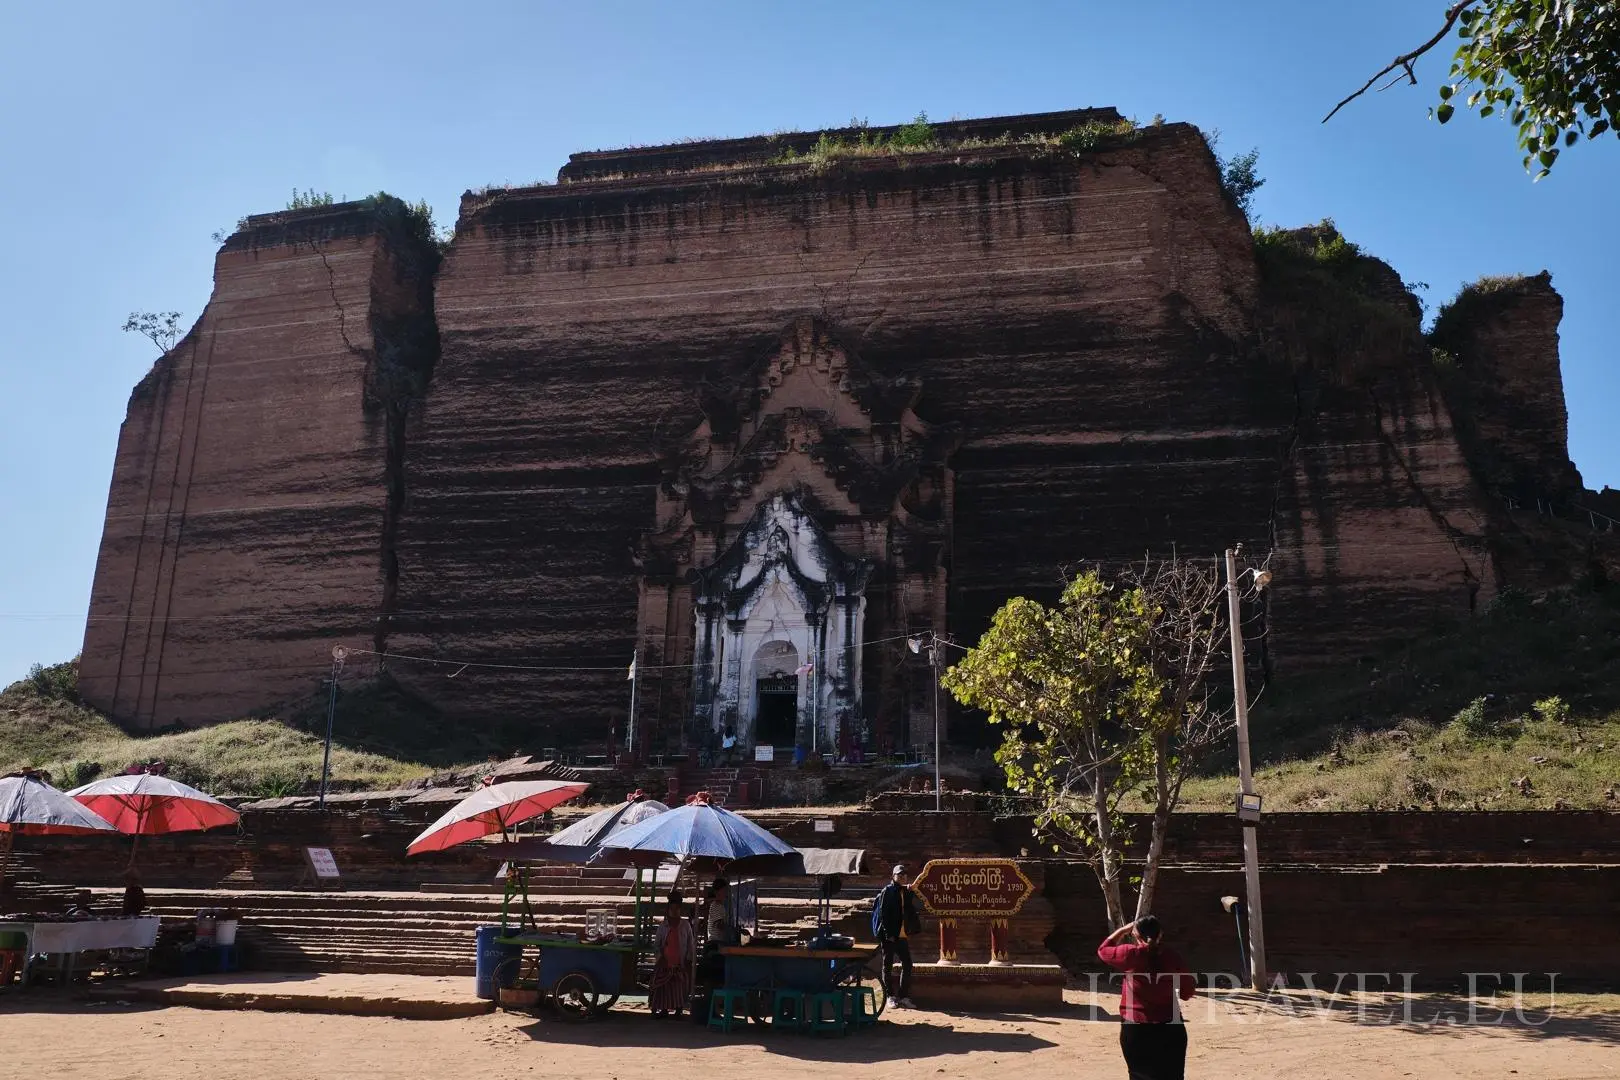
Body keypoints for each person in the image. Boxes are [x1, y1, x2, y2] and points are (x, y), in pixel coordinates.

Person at [1097, 915, 1197, 1080]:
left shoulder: (1129, 954)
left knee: (1139, 1076)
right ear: (1161, 934)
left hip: (1136, 1028)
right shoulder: (1172, 957)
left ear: (1135, 935)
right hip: (1170, 1027)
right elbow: (1187, 993)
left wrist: (1122, 930)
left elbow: (1103, 949)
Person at [871, 864, 921, 1008]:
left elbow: (910, 908)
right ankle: (890, 996)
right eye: (899, 875)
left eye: (904, 875)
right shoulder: (888, 891)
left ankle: (903, 996)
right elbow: (883, 914)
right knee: (887, 966)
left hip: (902, 935)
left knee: (907, 964)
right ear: (893, 876)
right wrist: (888, 935)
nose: (902, 877)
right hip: (890, 936)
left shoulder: (905, 891)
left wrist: (911, 891)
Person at [649, 891, 695, 1018]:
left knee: (679, 988)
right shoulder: (663, 926)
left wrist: (689, 959)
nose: (674, 911)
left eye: (677, 909)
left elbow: (690, 944)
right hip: (665, 962)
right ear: (668, 910)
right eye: (672, 909)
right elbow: (657, 945)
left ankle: (679, 1010)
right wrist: (660, 958)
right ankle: (663, 1009)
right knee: (664, 988)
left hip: (680, 962)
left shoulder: (685, 926)